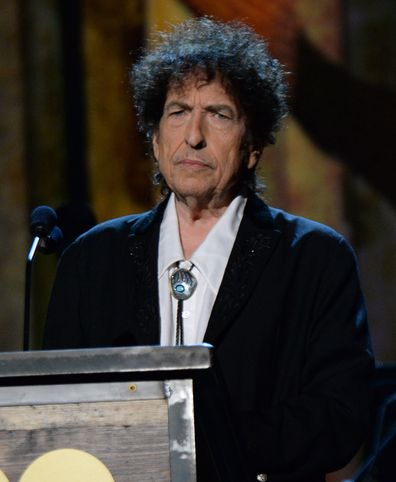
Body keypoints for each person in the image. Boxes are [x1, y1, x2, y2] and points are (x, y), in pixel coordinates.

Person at [44, 17, 373, 482]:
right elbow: (57, 413)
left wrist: (201, 439)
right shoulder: (92, 259)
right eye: (177, 112)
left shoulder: (313, 258)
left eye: (218, 114)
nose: (193, 135)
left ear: (254, 145)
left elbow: (338, 417)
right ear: (156, 139)